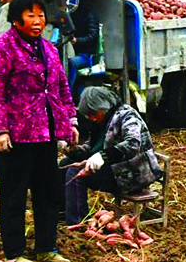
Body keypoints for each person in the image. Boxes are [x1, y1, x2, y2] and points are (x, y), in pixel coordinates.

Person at [0, 0, 78, 262]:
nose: (38, 21)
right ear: (15, 19)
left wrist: (70, 120)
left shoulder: (48, 49)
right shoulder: (0, 49)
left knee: (48, 193)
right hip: (16, 134)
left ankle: (47, 248)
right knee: (14, 194)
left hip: (46, 131)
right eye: (30, 15)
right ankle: (14, 252)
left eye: (40, 15)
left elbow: (61, 87)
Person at [68, 85, 162, 223]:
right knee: (65, 164)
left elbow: (133, 144)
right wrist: (73, 150)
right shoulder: (101, 121)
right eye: (88, 115)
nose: (92, 118)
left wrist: (104, 156)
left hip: (132, 173)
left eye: (94, 113)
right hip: (115, 170)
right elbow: (93, 146)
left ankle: (77, 221)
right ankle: (64, 213)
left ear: (104, 106)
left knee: (74, 173)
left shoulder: (127, 115)